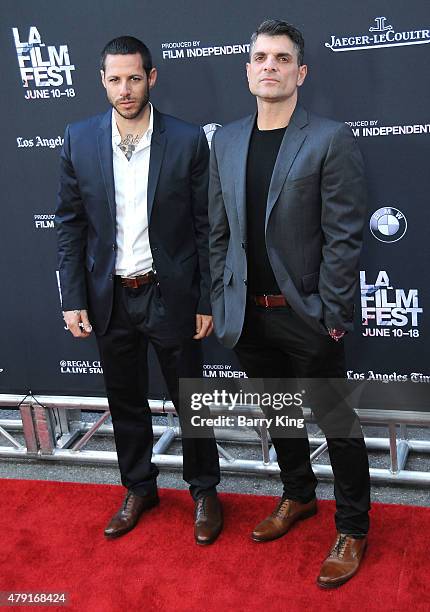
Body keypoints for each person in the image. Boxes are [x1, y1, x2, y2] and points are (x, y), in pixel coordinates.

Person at [208, 19, 370, 587]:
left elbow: (344, 234)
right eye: (260, 57)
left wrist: (331, 309)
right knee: (280, 416)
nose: (269, 66)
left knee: (335, 421)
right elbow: (218, 230)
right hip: (248, 314)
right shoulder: (225, 140)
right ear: (248, 69)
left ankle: (352, 526)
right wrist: (221, 299)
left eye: (281, 58)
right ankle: (298, 495)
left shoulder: (327, 137)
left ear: (300, 72)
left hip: (307, 313)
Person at [56, 36, 222, 545]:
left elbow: (205, 226)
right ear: (101, 80)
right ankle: (139, 487)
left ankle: (205, 491)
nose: (124, 90)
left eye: (134, 78)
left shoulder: (188, 140)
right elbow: (70, 224)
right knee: (125, 400)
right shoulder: (79, 139)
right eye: (114, 79)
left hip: (169, 294)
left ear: (152, 78)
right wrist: (72, 297)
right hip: (111, 297)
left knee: (190, 399)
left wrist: (203, 299)